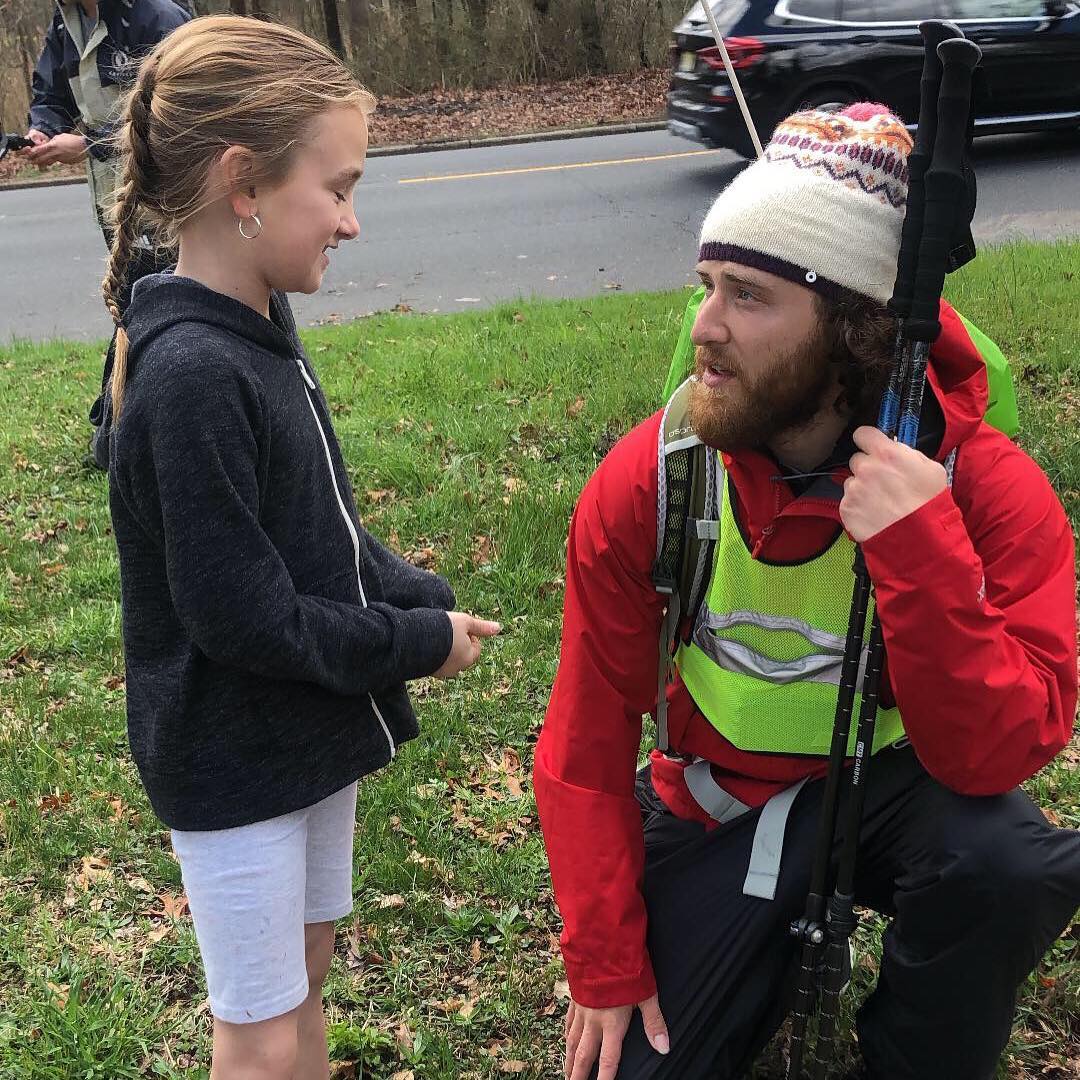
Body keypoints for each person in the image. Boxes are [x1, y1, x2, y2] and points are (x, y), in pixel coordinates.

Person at [533, 103, 1080, 1080]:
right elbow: (585, 737)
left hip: (886, 798)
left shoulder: (989, 491)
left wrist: (923, 552)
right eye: (708, 286)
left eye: (747, 295)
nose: (702, 325)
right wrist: (605, 961)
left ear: (856, 328)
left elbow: (999, 752)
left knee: (1007, 864)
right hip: (711, 806)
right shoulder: (654, 479)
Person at [102, 16, 501, 1079]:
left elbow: (314, 526)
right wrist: (412, 641)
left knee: (307, 977)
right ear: (244, 184)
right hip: (234, 757)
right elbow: (243, 617)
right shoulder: (191, 377)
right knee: (260, 1029)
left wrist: (415, 591)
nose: (352, 221)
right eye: (338, 187)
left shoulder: (259, 333)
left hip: (305, 731)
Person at [23, 0, 191, 468]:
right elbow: (50, 93)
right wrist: (43, 129)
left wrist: (89, 144)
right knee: (134, 304)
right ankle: (124, 429)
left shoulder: (158, 19)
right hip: (114, 201)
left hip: (171, 197)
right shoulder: (67, 24)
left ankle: (123, 431)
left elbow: (177, 112)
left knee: (162, 306)